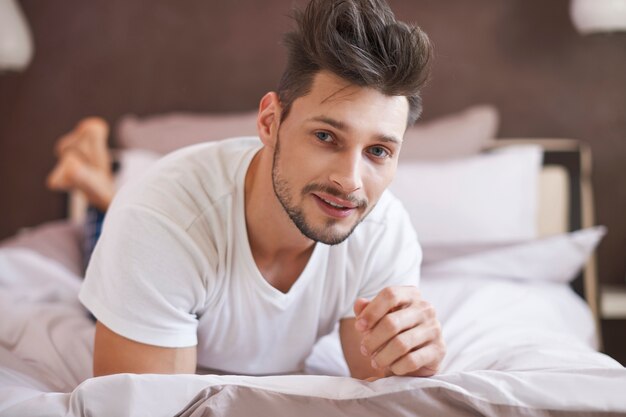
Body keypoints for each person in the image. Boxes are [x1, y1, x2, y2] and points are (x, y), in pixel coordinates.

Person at [51, 0, 446, 380]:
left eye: (378, 151)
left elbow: (375, 379)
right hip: (161, 222)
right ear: (270, 122)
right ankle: (96, 181)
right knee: (110, 235)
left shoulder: (384, 230)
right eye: (326, 136)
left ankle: (97, 179)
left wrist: (410, 359)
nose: (351, 181)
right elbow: (142, 403)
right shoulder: (158, 220)